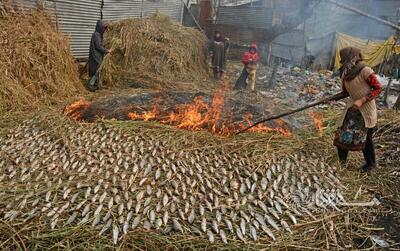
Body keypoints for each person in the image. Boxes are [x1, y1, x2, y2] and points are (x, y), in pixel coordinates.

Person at [335, 47, 382, 172]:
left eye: (343, 58)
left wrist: (361, 101)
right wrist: (332, 98)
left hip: (366, 110)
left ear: (350, 57)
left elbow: (377, 88)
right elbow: (345, 92)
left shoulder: (365, 70)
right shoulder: (345, 72)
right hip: (352, 109)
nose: (341, 61)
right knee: (342, 135)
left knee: (366, 139)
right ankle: (342, 163)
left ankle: (370, 165)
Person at [88, 20, 111, 91]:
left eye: (105, 28)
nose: (104, 30)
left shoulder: (98, 34)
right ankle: (90, 85)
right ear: (99, 27)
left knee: (98, 70)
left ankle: (98, 85)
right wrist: (107, 50)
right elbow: (98, 46)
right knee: (97, 70)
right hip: (96, 56)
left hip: (97, 55)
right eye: (103, 28)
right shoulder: (96, 35)